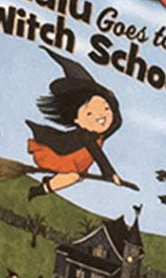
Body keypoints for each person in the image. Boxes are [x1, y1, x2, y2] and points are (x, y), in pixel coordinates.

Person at [25, 52, 138, 196]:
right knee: (74, 176)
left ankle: (51, 181)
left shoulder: (102, 132)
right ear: (77, 120)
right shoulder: (85, 136)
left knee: (75, 176)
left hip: (75, 160)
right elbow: (97, 153)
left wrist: (112, 100)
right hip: (58, 156)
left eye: (105, 108)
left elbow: (116, 122)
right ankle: (37, 191)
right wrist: (110, 174)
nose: (101, 116)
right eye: (89, 113)